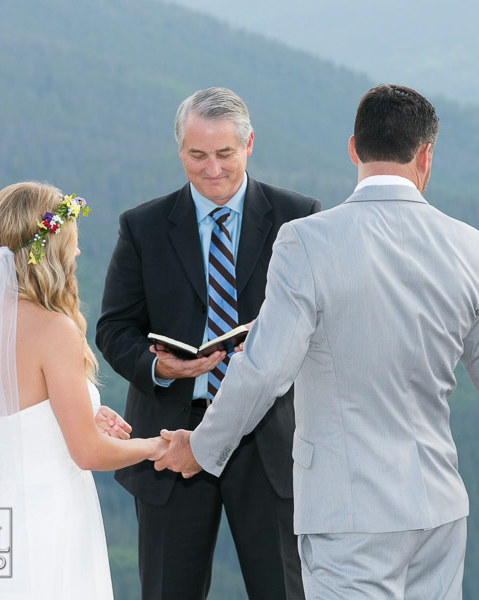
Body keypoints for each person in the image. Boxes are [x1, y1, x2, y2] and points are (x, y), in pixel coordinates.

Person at [155, 84, 479, 599]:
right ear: (426, 155)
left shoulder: (307, 240)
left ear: (354, 147)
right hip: (439, 510)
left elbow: (264, 370)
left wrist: (200, 447)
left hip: (347, 512)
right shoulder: (469, 245)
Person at [95, 87, 320, 599]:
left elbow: (321, 323)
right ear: (179, 149)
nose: (211, 168)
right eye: (197, 155)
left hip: (268, 438)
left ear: (249, 144)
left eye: (225, 154)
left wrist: (274, 352)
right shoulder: (142, 226)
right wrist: (159, 369)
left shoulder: (299, 217)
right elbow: (113, 328)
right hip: (169, 441)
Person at [0, 182, 167, 599]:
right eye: (72, 242)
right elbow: (88, 453)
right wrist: (155, 447)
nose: (78, 252)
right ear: (48, 248)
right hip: (45, 517)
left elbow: (17, 414)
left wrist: (79, 413)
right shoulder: (54, 329)